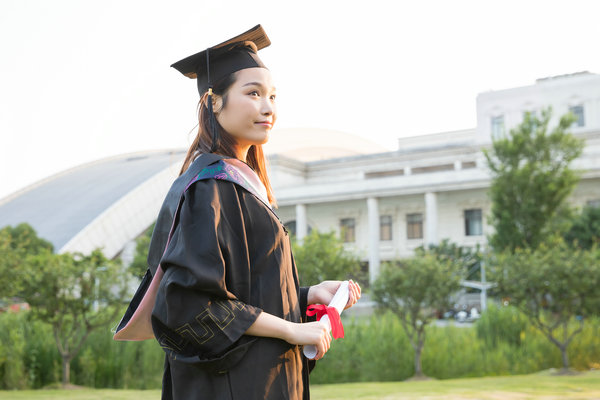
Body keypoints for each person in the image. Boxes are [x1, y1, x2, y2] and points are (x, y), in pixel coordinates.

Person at [148, 25, 361, 400]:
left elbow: (240, 292)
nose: (268, 107)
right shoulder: (209, 188)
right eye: (253, 93)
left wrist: (307, 295)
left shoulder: (243, 187)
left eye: (273, 96)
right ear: (214, 102)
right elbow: (191, 304)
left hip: (266, 381)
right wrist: (290, 329)